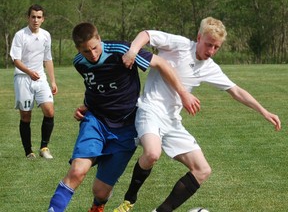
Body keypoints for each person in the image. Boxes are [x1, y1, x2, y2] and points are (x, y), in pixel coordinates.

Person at [114, 17, 282, 212]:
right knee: (152, 153)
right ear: (199, 37)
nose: (211, 51)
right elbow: (147, 34)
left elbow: (236, 91)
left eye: (216, 47)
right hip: (150, 109)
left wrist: (264, 111)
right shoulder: (181, 45)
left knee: (203, 170)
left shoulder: (210, 67)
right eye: (208, 45)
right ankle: (129, 201)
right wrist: (133, 50)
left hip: (172, 120)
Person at [48, 22, 199, 212]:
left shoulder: (121, 50)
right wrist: (87, 105)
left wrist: (183, 93)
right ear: (78, 49)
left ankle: (97, 207)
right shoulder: (79, 62)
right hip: (96, 121)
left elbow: (161, 63)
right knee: (78, 171)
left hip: (127, 128)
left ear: (99, 39)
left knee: (101, 192)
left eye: (95, 48)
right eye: (86, 51)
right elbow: (95, 87)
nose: (92, 54)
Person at [10, 4, 58, 159]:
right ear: (28, 18)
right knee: (25, 116)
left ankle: (44, 147)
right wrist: (29, 72)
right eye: (33, 17)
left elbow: (48, 59)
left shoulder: (46, 35)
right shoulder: (20, 35)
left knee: (49, 111)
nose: (35, 20)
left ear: (43, 19)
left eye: (39, 17)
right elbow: (15, 60)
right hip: (23, 78)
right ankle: (28, 151)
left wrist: (53, 81)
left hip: (40, 78)